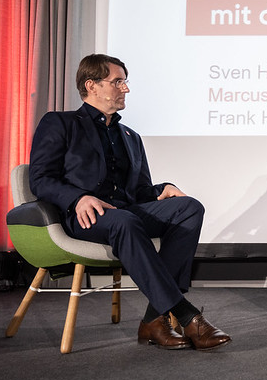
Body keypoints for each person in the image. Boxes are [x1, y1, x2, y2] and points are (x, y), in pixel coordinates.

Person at [29, 54, 231, 351]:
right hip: (83, 216)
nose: (125, 89)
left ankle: (153, 320)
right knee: (125, 220)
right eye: (118, 81)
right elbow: (41, 179)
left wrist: (163, 189)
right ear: (92, 85)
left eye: (125, 82)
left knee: (189, 208)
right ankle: (187, 315)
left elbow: (139, 191)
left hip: (125, 212)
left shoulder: (130, 136)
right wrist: (78, 197)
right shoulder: (61, 123)